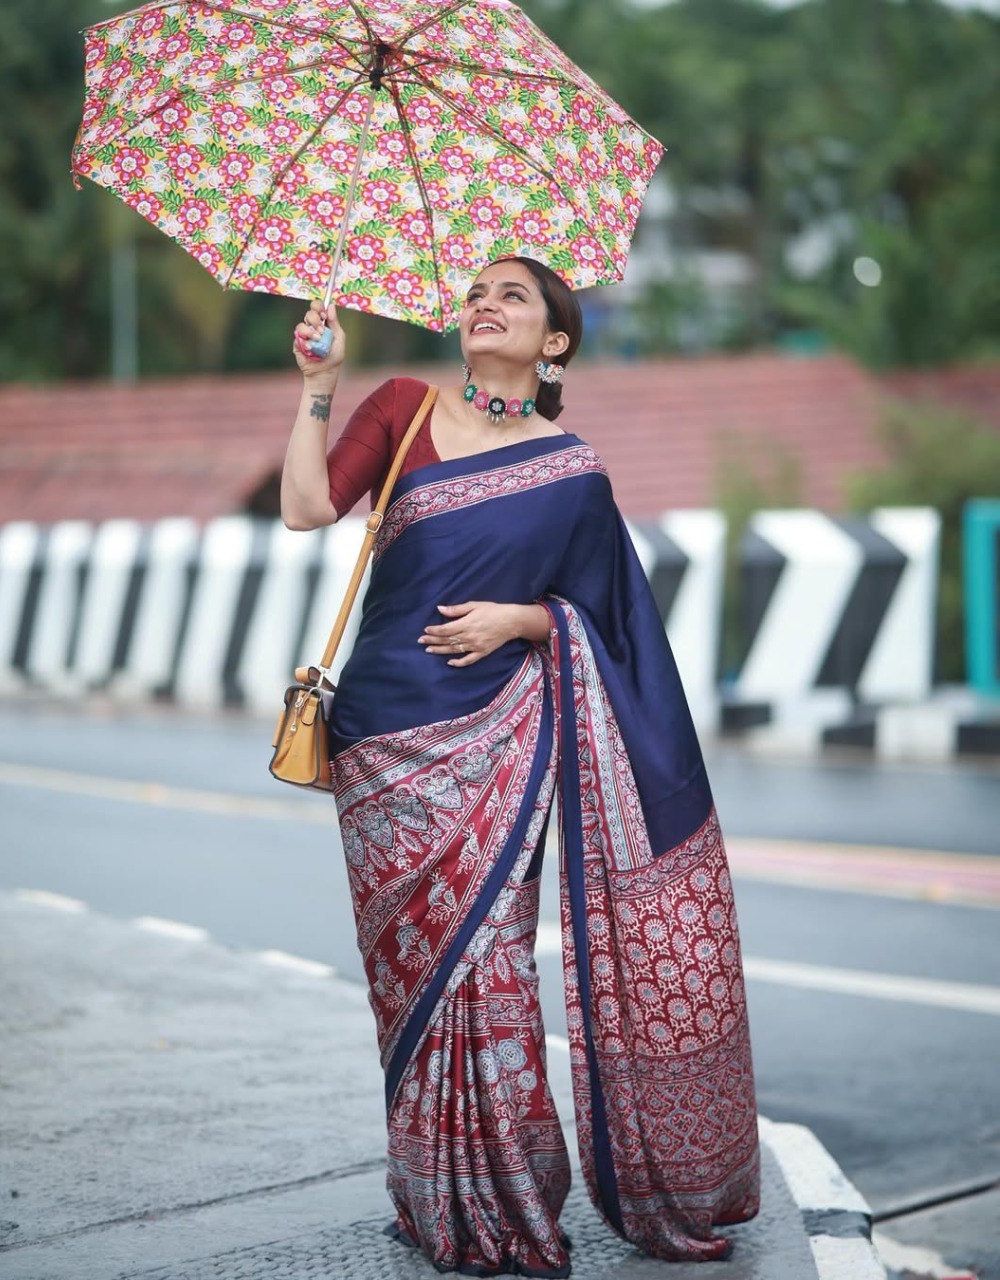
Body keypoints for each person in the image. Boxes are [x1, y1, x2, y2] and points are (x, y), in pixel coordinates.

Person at [280, 256, 761, 1277]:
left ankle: (511, 1200)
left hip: (502, 730)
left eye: (512, 295)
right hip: (385, 741)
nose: (482, 304)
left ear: (553, 343)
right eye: (474, 292)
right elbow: (306, 510)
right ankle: (434, 1192)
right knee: (412, 978)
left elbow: (614, 620)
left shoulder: (572, 468)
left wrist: (528, 618)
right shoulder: (403, 408)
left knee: (491, 966)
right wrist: (318, 385)